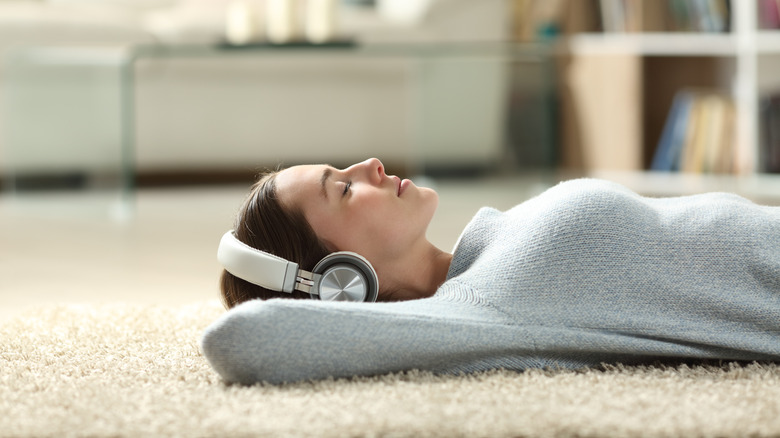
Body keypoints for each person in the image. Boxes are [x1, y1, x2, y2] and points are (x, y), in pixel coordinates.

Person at [202, 158, 780, 385]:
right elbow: (244, 340)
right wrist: (299, 290)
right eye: (345, 189)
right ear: (339, 279)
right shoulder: (475, 312)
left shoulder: (486, 254)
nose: (371, 165)